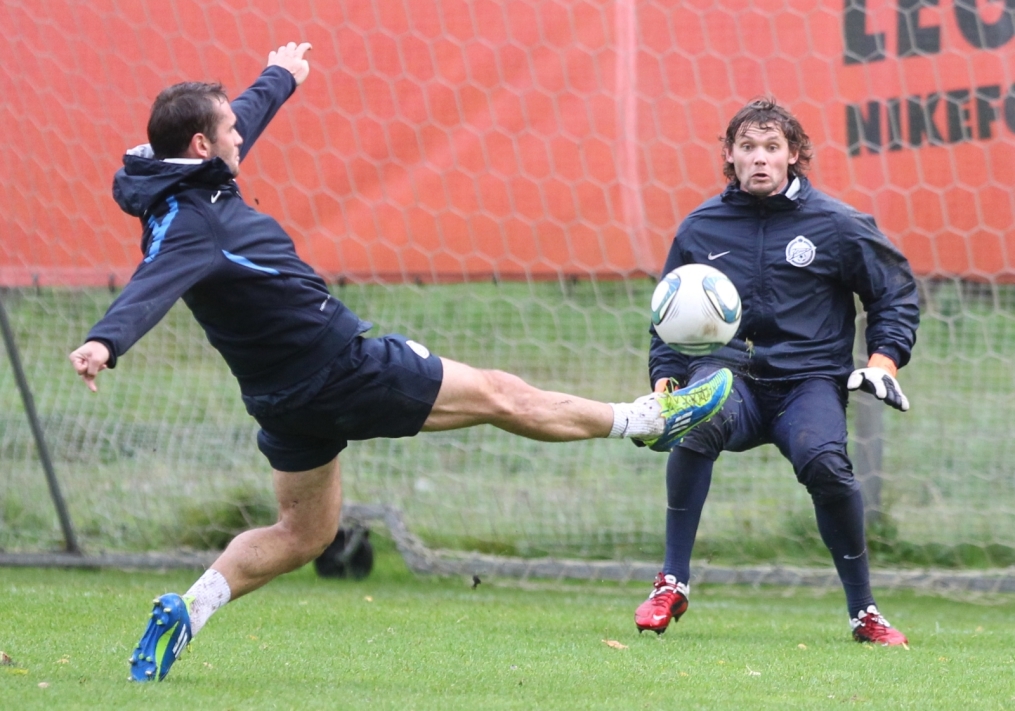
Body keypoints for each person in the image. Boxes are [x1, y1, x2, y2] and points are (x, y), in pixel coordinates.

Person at [69, 42, 733, 682]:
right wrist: (106, 341)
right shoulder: (192, 224)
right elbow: (150, 286)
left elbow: (236, 122)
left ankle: (187, 612)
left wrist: (280, 77)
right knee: (501, 394)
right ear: (200, 147)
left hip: (280, 398)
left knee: (303, 533)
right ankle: (648, 417)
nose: (240, 134)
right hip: (340, 366)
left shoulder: (171, 178)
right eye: (229, 130)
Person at [632, 98, 919, 645]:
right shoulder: (701, 227)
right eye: (748, 147)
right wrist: (665, 380)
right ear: (730, 155)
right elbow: (666, 315)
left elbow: (895, 294)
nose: (760, 158)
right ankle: (671, 582)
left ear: (794, 155)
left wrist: (884, 362)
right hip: (728, 373)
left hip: (807, 381)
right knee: (697, 422)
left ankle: (865, 612)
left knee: (826, 465)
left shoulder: (837, 225)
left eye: (772, 147)